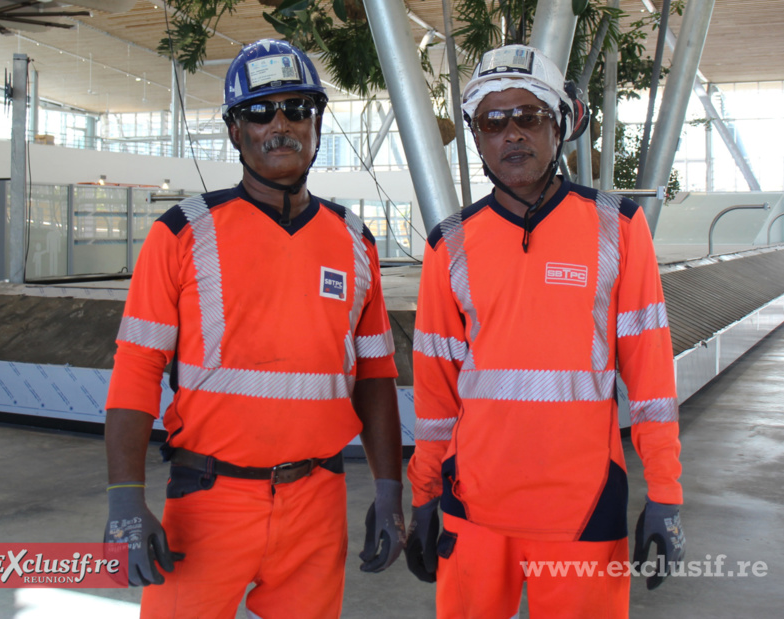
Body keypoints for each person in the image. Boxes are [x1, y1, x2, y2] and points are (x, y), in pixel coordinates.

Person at [104, 39, 405, 619]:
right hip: (207, 502)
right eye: (260, 111)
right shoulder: (182, 233)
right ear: (234, 131)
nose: (280, 125)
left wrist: (389, 489)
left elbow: (375, 375)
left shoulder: (354, 241)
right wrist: (124, 498)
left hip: (318, 504)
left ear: (317, 124)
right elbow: (137, 369)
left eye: (298, 109)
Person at [404, 44, 685, 617]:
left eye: (528, 116)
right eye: (493, 122)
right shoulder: (449, 244)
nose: (512, 134)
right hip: (472, 507)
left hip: (584, 510)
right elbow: (435, 394)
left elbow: (652, 383)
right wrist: (424, 494)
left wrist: (665, 493)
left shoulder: (618, 228)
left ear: (560, 127)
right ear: (477, 139)